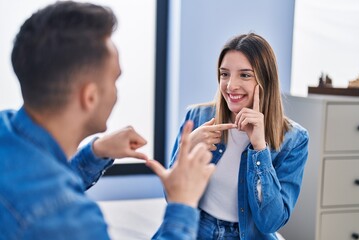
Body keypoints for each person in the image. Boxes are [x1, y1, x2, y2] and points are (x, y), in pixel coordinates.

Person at [0, 2, 215, 240]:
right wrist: (183, 203)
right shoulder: (72, 220)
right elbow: (49, 207)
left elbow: (36, 189)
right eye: (115, 79)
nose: (116, 92)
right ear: (89, 97)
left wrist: (95, 152)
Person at [169, 33, 309, 239]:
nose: (230, 85)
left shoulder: (294, 139)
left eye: (244, 75)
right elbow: (171, 198)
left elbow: (271, 221)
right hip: (198, 230)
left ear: (265, 81)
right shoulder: (197, 117)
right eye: (224, 74)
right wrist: (187, 151)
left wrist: (260, 149)